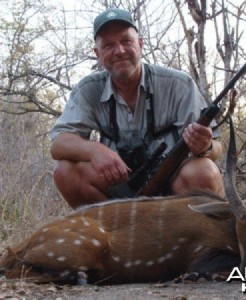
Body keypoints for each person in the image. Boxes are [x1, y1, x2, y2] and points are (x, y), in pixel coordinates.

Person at [50, 8, 225, 209]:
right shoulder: (88, 89)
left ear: (140, 44)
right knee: (65, 172)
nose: (119, 51)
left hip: (173, 185)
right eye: (108, 45)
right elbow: (59, 144)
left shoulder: (179, 84)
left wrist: (205, 147)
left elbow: (215, 148)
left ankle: (196, 237)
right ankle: (114, 237)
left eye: (126, 41)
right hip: (119, 186)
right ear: (98, 54)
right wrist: (94, 150)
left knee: (204, 172)